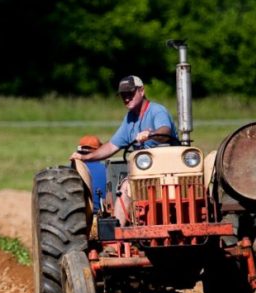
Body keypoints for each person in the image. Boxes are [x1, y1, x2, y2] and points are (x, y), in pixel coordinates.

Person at [69, 75, 176, 225]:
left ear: (142, 91)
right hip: (144, 172)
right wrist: (86, 157)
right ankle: (116, 238)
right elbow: (112, 146)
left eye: (130, 94)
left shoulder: (157, 111)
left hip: (168, 169)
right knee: (125, 188)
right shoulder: (130, 119)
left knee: (127, 186)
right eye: (123, 95)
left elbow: (165, 132)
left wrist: (150, 134)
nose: (126, 98)